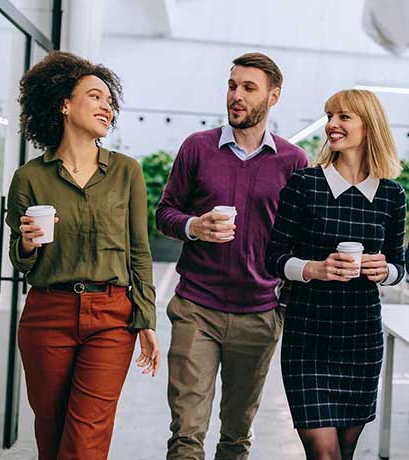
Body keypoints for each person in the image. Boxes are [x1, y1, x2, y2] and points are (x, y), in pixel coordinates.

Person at [6, 51, 160, 460]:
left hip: (111, 316)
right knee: (52, 435)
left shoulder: (126, 171)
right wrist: (26, 244)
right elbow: (20, 261)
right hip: (46, 315)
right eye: (95, 96)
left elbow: (139, 251)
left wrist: (145, 318)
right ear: (64, 104)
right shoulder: (29, 178)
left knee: (86, 438)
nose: (106, 106)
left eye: (110, 101)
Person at [156, 52, 309, 460]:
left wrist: (285, 306)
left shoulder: (293, 162)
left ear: (273, 97)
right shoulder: (197, 148)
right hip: (196, 309)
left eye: (248, 88)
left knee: (236, 437)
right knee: (186, 434)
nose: (236, 96)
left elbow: (300, 239)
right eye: (231, 85)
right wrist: (194, 226)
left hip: (259, 316)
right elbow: (165, 212)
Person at [266, 89, 406, 460]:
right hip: (308, 336)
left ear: (368, 124)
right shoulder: (304, 185)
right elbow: (274, 257)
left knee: (344, 452)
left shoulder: (392, 195)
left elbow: (399, 266)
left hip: (360, 338)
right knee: (324, 453)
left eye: (344, 117)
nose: (331, 124)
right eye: (330, 115)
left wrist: (385, 269)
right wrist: (315, 268)